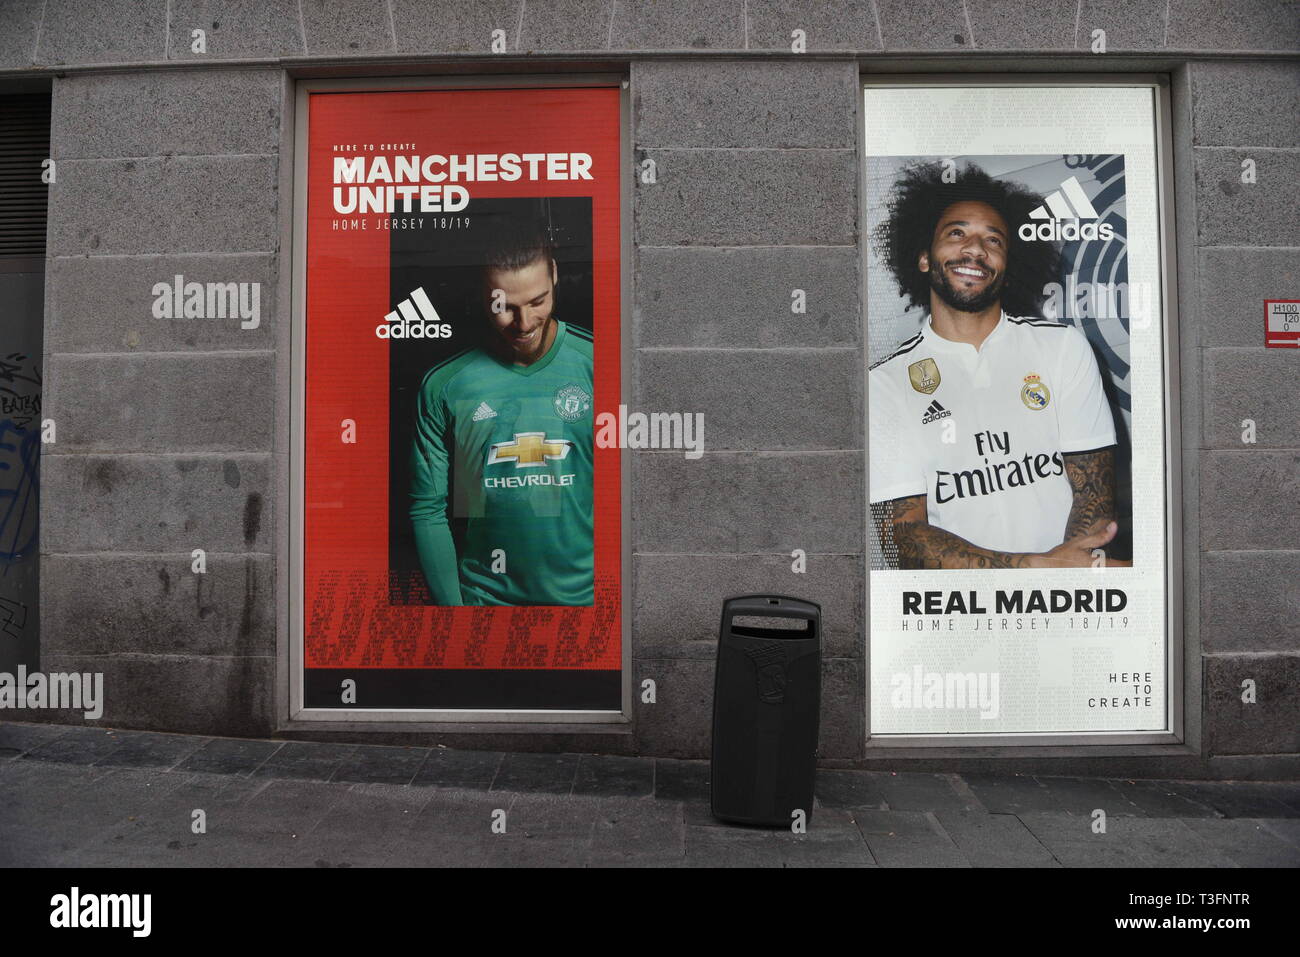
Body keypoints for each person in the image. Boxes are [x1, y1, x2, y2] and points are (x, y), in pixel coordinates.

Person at [869, 161, 1126, 569]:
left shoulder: (1062, 348)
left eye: (994, 240)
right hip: (957, 611)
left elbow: (1093, 494)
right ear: (923, 258)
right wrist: (1030, 569)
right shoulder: (883, 385)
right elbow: (901, 537)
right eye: (957, 233)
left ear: (1007, 271)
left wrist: (1059, 577)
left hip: (1066, 600)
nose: (975, 249)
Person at [410, 217, 594, 604]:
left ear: (555, 275)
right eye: (504, 307)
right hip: (484, 604)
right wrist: (454, 619)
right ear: (482, 293)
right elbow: (428, 508)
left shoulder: (601, 364)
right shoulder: (447, 384)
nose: (524, 323)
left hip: (586, 605)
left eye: (537, 301)